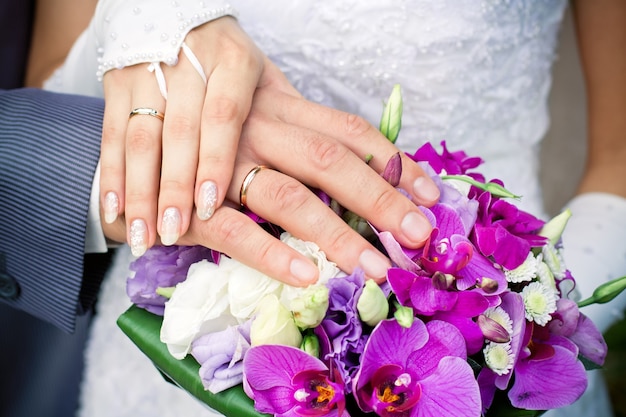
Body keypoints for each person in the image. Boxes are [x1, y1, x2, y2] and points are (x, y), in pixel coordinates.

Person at [8, 0, 626, 416]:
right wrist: (133, 24)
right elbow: (43, 115)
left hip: (480, 336)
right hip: (193, 338)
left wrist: (536, 319)